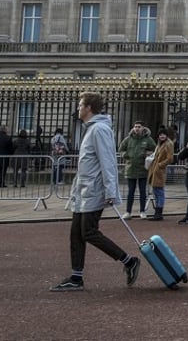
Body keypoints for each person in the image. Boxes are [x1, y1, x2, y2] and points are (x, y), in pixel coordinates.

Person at [50, 92, 140, 292]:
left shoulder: (99, 129)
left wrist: (110, 191)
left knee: (89, 232)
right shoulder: (91, 129)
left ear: (89, 107)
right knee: (76, 233)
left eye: (80, 105)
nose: (78, 108)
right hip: (84, 190)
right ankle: (76, 277)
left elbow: (107, 161)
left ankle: (129, 261)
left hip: (95, 189)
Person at [118, 122, 155, 219]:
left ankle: (142, 211)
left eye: (139, 127)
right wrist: (126, 155)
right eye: (135, 127)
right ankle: (128, 212)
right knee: (131, 192)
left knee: (143, 191)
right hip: (131, 169)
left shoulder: (148, 140)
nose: (137, 128)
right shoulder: (128, 139)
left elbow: (155, 150)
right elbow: (121, 149)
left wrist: (149, 153)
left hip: (143, 169)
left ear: (143, 128)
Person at [146, 130, 174, 220]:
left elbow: (170, 158)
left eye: (163, 134)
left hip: (159, 170)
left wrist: (160, 165)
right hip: (155, 169)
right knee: (156, 191)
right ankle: (157, 212)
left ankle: (159, 213)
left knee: (159, 192)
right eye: (160, 134)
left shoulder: (168, 144)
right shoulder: (160, 144)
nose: (162, 136)